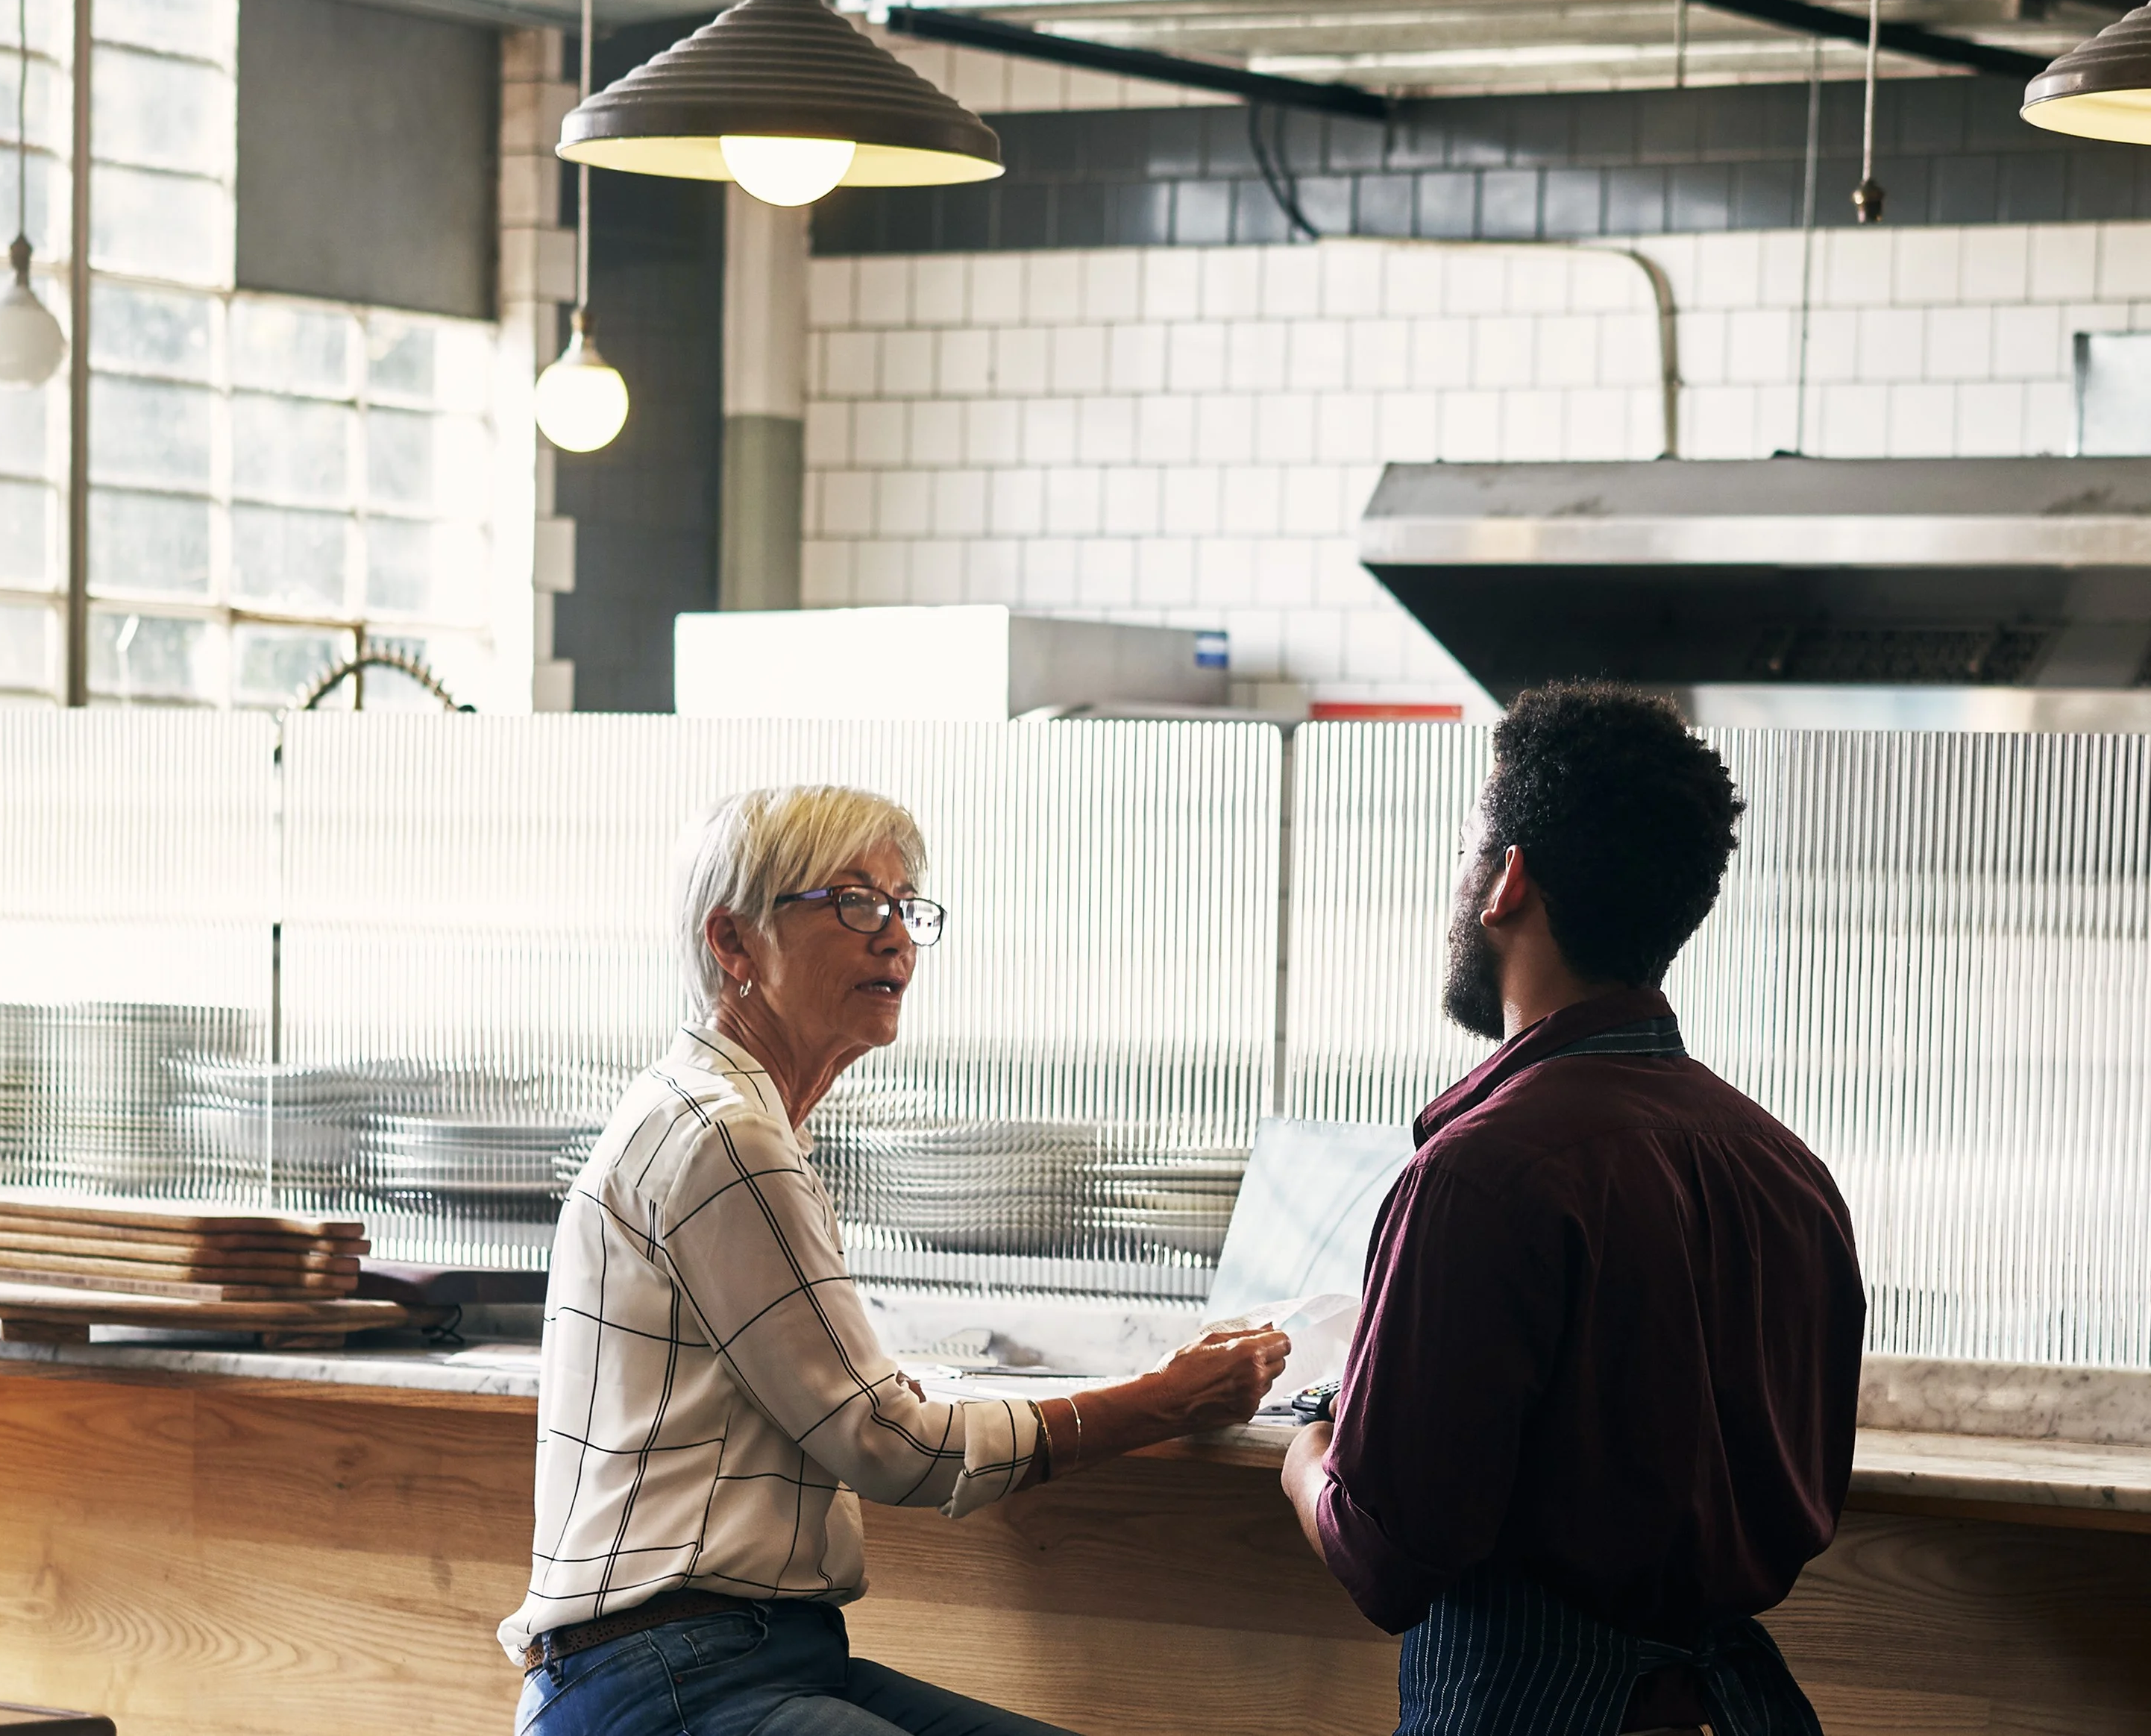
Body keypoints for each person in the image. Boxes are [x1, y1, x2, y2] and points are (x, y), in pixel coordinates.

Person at [506, 781, 1290, 1736]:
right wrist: (1161, 1397)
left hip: (742, 1657)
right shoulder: (725, 1135)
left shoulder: (722, 1114)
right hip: (667, 1680)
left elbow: (845, 1398)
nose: (894, 936)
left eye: (905, 906)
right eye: (851, 901)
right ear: (733, 942)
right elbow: (890, 1442)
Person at [1279, 684, 1868, 1736]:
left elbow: (1387, 1558)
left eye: (1468, 850)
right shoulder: (1790, 1169)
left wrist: (1308, 1462)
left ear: (1506, 879)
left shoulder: (1481, 1171)